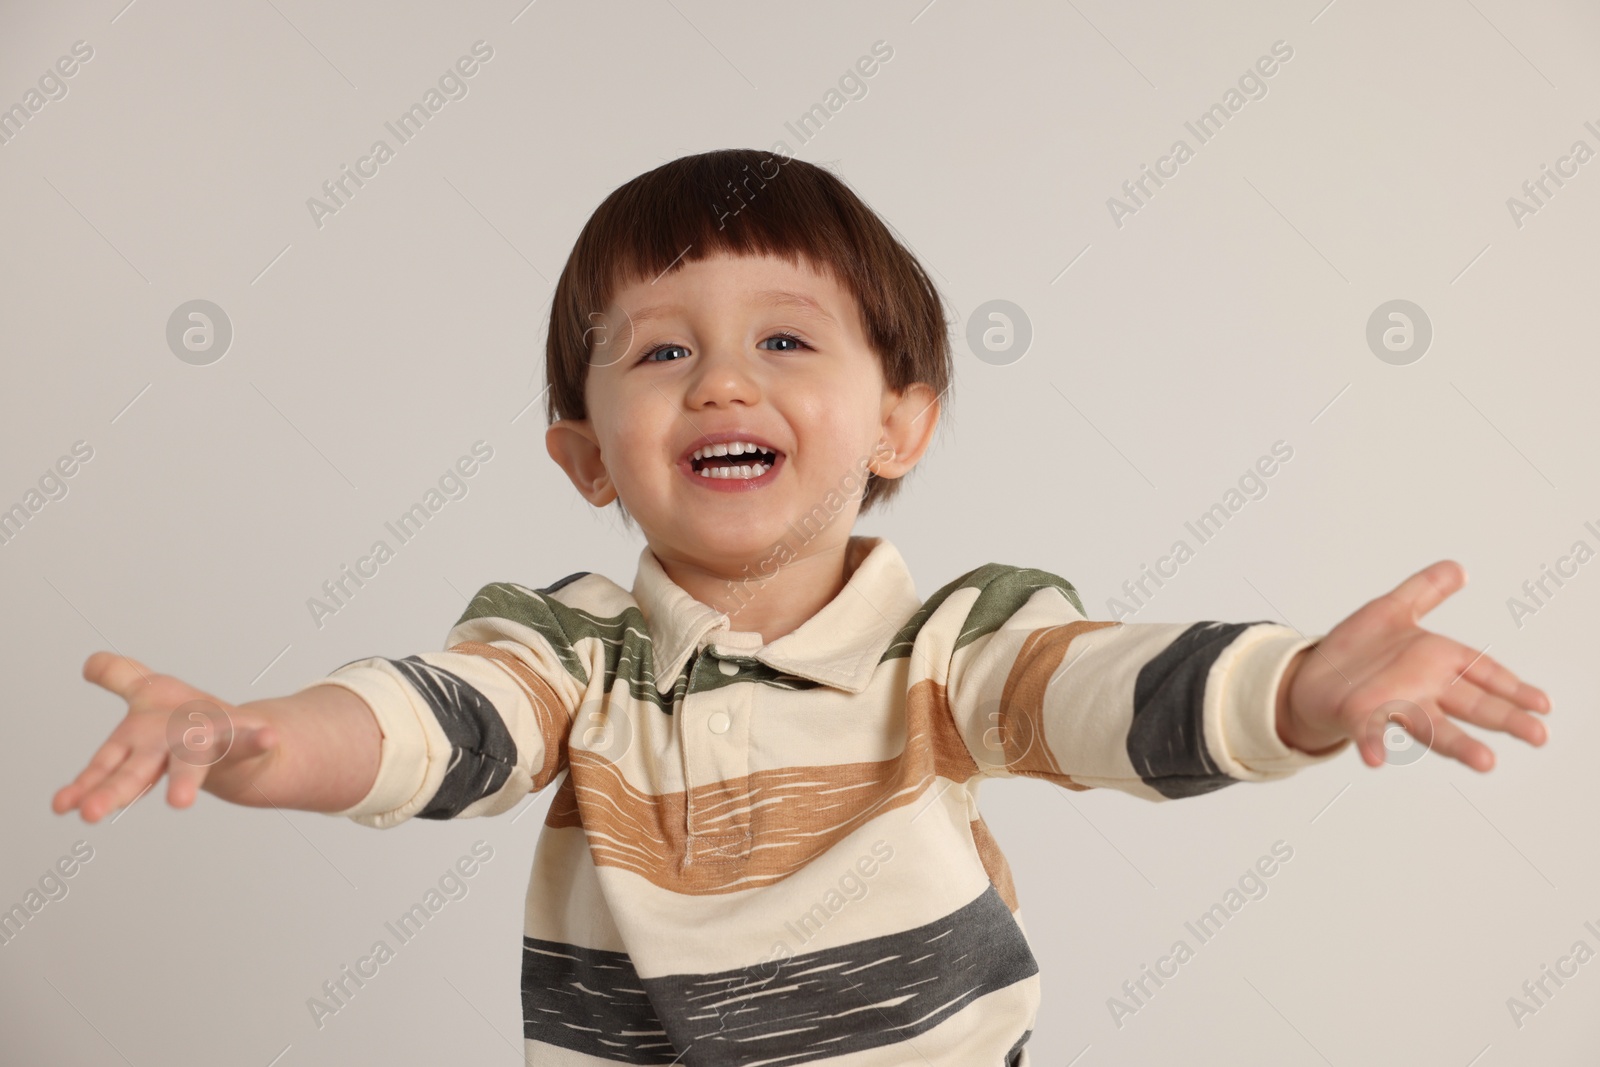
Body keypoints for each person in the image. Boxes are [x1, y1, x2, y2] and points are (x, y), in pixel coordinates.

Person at [54, 148, 1553, 1066]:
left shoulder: (949, 645)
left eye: (785, 338)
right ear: (585, 457)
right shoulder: (573, 654)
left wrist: (1286, 694)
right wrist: (252, 737)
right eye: (659, 356)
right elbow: (433, 724)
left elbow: (1093, 693)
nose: (722, 381)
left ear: (900, 424)